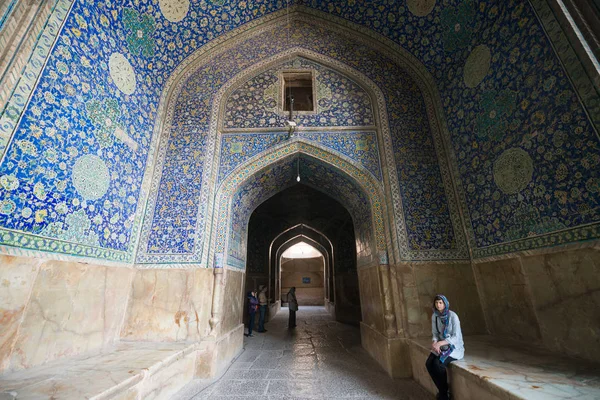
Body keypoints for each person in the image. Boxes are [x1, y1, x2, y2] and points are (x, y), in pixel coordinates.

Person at [426, 294, 464, 400]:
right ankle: (443, 390)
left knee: (438, 364)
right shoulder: (435, 316)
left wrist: (440, 343)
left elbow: (456, 337)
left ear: (445, 303)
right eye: (436, 303)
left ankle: (443, 394)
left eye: (440, 303)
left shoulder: (453, 316)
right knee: (429, 364)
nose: (438, 305)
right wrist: (434, 342)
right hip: (441, 346)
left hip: (454, 347)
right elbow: (435, 333)